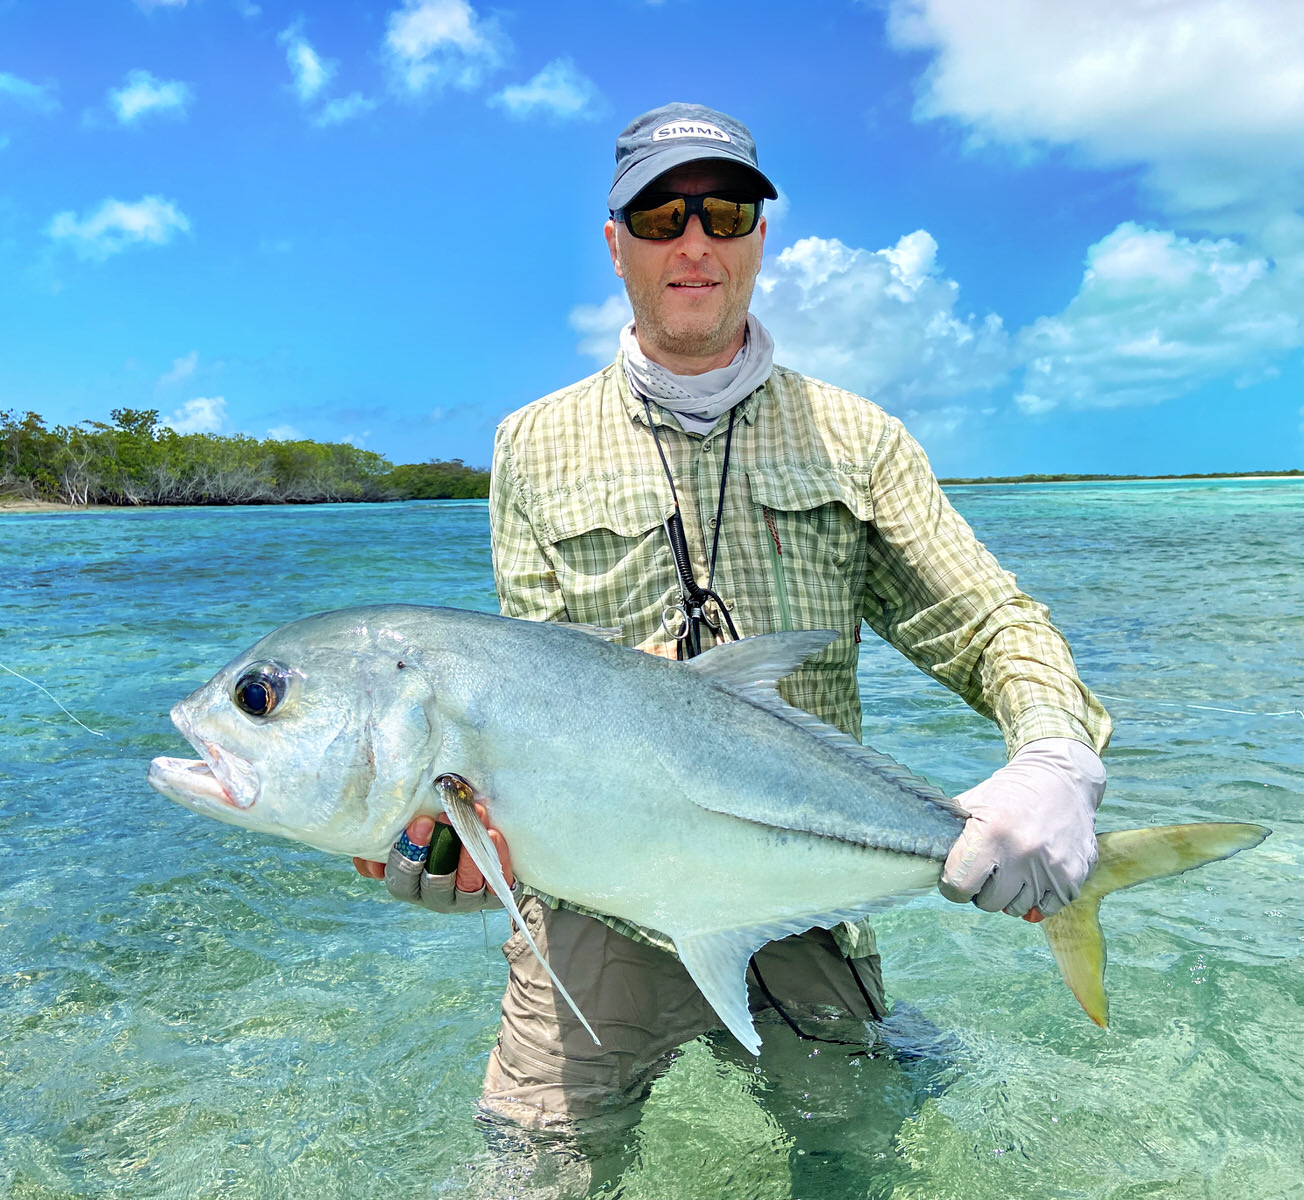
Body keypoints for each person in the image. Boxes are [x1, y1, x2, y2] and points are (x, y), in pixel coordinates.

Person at [355, 102, 1111, 1190]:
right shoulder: (528, 443)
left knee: (855, 1160)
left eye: (726, 208)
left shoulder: (858, 438)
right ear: (614, 244)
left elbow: (992, 622)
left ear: (763, 234)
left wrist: (1053, 759)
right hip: (594, 906)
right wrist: (458, 837)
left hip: (800, 890)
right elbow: (516, 695)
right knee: (530, 1167)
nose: (694, 239)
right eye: (659, 215)